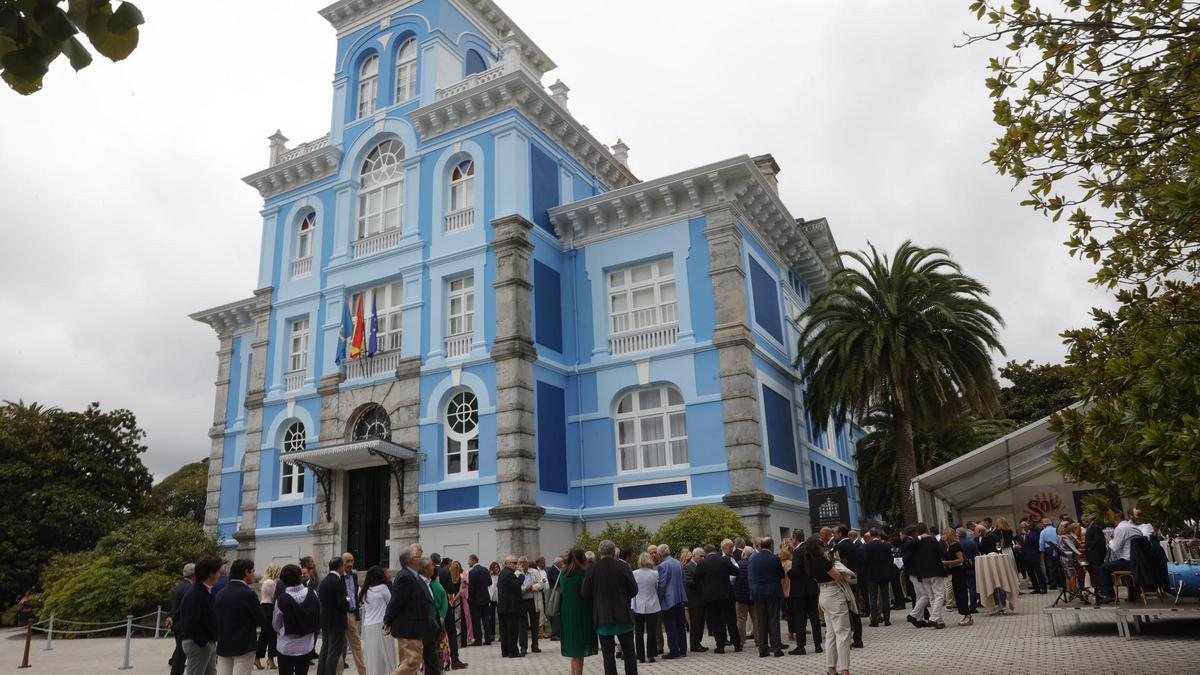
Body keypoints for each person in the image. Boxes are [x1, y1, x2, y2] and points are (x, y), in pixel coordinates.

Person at [582, 540, 638, 675]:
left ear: (599, 553)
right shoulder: (623, 567)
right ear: (614, 553)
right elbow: (634, 589)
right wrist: (624, 598)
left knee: (608, 655)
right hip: (623, 615)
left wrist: (597, 601)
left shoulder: (592, 569)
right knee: (629, 652)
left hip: (602, 617)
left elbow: (585, 593)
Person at [803, 537, 850, 675]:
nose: (825, 548)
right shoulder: (821, 560)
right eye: (823, 545)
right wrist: (839, 563)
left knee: (830, 633)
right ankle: (844, 670)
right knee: (842, 633)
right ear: (817, 547)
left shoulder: (809, 561)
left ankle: (831, 668)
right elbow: (838, 577)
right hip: (834, 594)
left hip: (822, 594)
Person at [384, 550, 435, 674]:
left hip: (414, 626)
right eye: (418, 557)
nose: (420, 559)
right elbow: (396, 601)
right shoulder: (405, 577)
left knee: (408, 661)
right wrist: (387, 620)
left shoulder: (412, 575)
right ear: (412, 560)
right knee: (413, 661)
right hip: (408, 627)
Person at [215, 559, 260, 675]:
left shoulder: (220, 594)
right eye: (253, 571)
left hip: (224, 644)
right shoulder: (249, 594)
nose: (254, 575)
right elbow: (260, 619)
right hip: (244, 645)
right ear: (246, 572)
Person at [694, 541, 740, 653]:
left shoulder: (702, 563)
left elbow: (696, 580)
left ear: (705, 552)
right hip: (727, 595)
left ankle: (720, 646)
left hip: (711, 598)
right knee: (731, 620)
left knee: (716, 622)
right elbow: (736, 572)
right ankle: (737, 645)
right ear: (715, 550)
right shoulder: (725, 560)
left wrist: (706, 585)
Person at [274, 564, 320, 675]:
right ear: (300, 576)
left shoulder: (281, 600)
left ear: (283, 580)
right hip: (306, 645)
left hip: (286, 646)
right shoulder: (313, 593)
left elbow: (276, 624)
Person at [558, 548, 598, 675]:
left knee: (574, 650)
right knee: (578, 650)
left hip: (567, 614)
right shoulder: (584, 574)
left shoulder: (563, 573)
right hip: (581, 613)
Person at [181, 556, 223, 675]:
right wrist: (203, 643)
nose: (219, 575)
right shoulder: (196, 593)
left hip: (205, 642)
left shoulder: (204, 591)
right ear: (211, 573)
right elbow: (190, 621)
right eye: (218, 572)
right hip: (198, 643)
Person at [748, 536, 785, 657]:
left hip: (757, 593)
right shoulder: (774, 558)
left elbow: (751, 576)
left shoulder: (753, 558)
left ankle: (763, 649)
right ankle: (776, 648)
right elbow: (781, 574)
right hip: (772, 592)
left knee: (761, 620)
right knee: (774, 620)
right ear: (771, 546)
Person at [316, 557, 350, 675]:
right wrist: (348, 601)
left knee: (325, 649)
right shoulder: (337, 581)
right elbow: (342, 604)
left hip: (326, 620)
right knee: (334, 652)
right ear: (340, 566)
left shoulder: (324, 581)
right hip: (336, 622)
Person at [358, 566, 395, 675]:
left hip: (369, 625)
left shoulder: (365, 590)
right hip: (381, 624)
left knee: (373, 654)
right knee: (386, 654)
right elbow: (390, 603)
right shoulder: (383, 587)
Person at [1098, 511, 1141, 603]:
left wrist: (1110, 540)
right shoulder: (1135, 527)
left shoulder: (1120, 528)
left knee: (1103, 568)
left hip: (1128, 561)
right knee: (1118, 565)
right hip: (1139, 561)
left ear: (1116, 519)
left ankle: (1109, 595)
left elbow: (1115, 547)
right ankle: (1134, 594)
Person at [785, 543, 820, 655]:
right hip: (812, 588)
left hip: (800, 591)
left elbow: (795, 571)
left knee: (800, 617)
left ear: (795, 539)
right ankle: (818, 644)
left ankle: (801, 646)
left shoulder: (798, 551)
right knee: (815, 617)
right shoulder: (812, 547)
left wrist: (788, 572)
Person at [655, 544, 687, 659]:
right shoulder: (678, 563)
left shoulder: (663, 565)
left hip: (668, 600)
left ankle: (674, 650)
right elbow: (683, 580)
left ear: (659, 554)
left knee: (670, 626)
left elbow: (662, 585)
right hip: (679, 597)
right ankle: (683, 649)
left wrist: (659, 599)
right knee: (680, 624)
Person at [912, 524, 947, 630]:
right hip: (935, 570)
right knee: (939, 595)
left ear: (917, 532)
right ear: (927, 530)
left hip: (923, 573)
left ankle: (939, 621)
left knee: (932, 597)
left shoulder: (916, 543)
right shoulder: (932, 540)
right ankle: (934, 618)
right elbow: (941, 553)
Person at [338, 553, 366, 675]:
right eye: (347, 561)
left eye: (352, 561)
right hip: (340, 615)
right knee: (339, 647)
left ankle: (362, 672)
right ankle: (338, 672)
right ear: (341, 563)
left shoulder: (354, 576)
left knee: (357, 646)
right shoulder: (338, 577)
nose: (350, 564)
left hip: (352, 615)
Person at [631, 552, 660, 663]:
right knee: (651, 631)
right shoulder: (655, 574)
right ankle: (651, 655)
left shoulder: (634, 573)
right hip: (652, 604)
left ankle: (640, 656)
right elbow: (657, 588)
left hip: (638, 604)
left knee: (638, 631)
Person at [167, 563, 195, 675]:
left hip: (176, 625)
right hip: (184, 625)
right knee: (181, 653)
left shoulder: (177, 587)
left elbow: (172, 606)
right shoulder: (191, 589)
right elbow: (182, 608)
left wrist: (170, 617)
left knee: (180, 650)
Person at [940, 529, 971, 626]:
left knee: (961, 593)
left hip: (959, 571)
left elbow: (960, 559)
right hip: (954, 571)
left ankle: (968, 615)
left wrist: (946, 563)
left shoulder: (955, 545)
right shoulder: (948, 546)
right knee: (957, 593)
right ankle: (965, 614)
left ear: (949, 535)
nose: (942, 536)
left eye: (945, 534)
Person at [862, 528, 892, 627]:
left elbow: (864, 561)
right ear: (878, 535)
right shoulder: (886, 546)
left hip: (872, 575)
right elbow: (890, 560)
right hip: (884, 574)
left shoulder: (867, 547)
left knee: (873, 597)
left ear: (870, 535)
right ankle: (887, 620)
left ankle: (874, 620)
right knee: (885, 597)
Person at [423, 559, 449, 675]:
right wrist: (442, 616)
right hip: (436, 619)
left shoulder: (431, 586)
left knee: (431, 647)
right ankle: (439, 667)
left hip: (432, 619)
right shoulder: (438, 587)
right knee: (437, 646)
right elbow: (445, 603)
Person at [496, 556, 524, 658]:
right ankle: (513, 652)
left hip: (503, 607)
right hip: (511, 608)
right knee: (512, 631)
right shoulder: (509, 574)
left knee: (504, 631)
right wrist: (521, 575)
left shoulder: (502, 573)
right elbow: (516, 585)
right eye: (515, 562)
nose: (516, 565)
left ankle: (505, 651)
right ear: (509, 563)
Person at [256, 564, 281, 671]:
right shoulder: (270, 582)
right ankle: (270, 659)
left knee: (265, 635)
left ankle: (259, 658)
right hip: (268, 608)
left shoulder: (267, 581)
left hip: (266, 608)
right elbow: (274, 596)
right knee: (270, 635)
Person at [442, 561, 467, 669]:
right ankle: (457, 650)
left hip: (449, 602)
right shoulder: (454, 577)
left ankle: (445, 658)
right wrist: (454, 600)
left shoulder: (445, 575)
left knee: (447, 631)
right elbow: (458, 591)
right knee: (456, 625)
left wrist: (451, 600)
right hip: (454, 603)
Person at [901, 527, 928, 627]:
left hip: (913, 572)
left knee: (919, 595)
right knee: (925, 595)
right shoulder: (907, 540)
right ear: (914, 533)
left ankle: (919, 618)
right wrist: (921, 537)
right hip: (914, 572)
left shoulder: (910, 541)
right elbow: (909, 546)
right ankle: (913, 615)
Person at [682, 547, 706, 652]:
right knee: (695, 623)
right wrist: (703, 584)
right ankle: (694, 644)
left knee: (701, 623)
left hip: (702, 599)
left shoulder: (702, 566)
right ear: (694, 555)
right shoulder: (687, 567)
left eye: (704, 556)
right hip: (694, 599)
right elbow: (688, 581)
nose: (703, 558)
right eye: (701, 556)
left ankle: (698, 642)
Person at [516, 557, 541, 655]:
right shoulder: (517, 574)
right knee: (522, 625)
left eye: (524, 562)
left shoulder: (534, 572)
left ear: (528, 563)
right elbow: (516, 587)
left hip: (533, 600)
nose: (523, 564)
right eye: (521, 562)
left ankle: (535, 646)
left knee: (535, 624)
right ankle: (523, 647)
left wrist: (533, 587)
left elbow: (541, 584)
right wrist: (524, 588)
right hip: (522, 601)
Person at [465, 555, 491, 647]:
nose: (468, 562)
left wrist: (469, 598)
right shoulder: (485, 569)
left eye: (469, 560)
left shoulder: (472, 572)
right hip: (485, 598)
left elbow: (471, 588)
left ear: (473, 560)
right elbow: (490, 582)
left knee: (476, 621)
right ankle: (488, 638)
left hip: (475, 600)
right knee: (486, 619)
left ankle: (478, 640)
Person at [733, 548, 756, 651]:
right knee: (756, 619)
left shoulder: (737, 564)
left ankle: (741, 641)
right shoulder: (754, 564)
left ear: (743, 554)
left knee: (741, 619)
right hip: (753, 596)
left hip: (741, 597)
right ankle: (759, 640)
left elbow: (732, 579)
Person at [957, 527, 980, 613]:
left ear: (957, 534)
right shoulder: (972, 543)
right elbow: (977, 555)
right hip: (971, 568)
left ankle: (963, 607)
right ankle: (973, 607)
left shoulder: (956, 544)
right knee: (972, 588)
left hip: (959, 569)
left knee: (961, 589)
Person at [1022, 521, 1048, 594]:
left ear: (1028, 526)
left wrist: (1027, 535)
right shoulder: (1020, 534)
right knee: (1030, 573)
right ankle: (1036, 588)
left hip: (1034, 555)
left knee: (1038, 572)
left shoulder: (1033, 532)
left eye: (1025, 527)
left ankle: (1043, 588)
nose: (1024, 529)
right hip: (1025, 557)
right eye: (1022, 527)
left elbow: (1036, 541)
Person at [1058, 522, 1083, 597]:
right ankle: (1074, 591)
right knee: (1072, 574)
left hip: (1064, 556)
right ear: (1065, 527)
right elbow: (1072, 546)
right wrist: (1079, 553)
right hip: (1069, 556)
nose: (1070, 527)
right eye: (1069, 526)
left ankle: (1069, 591)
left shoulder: (1061, 536)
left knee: (1067, 574)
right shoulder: (1066, 536)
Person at [1039, 518, 1063, 591]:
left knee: (1051, 567)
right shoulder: (1056, 529)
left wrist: (1041, 550)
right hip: (1058, 548)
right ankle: (1061, 583)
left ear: (1044, 524)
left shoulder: (1043, 531)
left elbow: (1041, 543)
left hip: (1049, 550)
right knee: (1059, 566)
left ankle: (1053, 584)